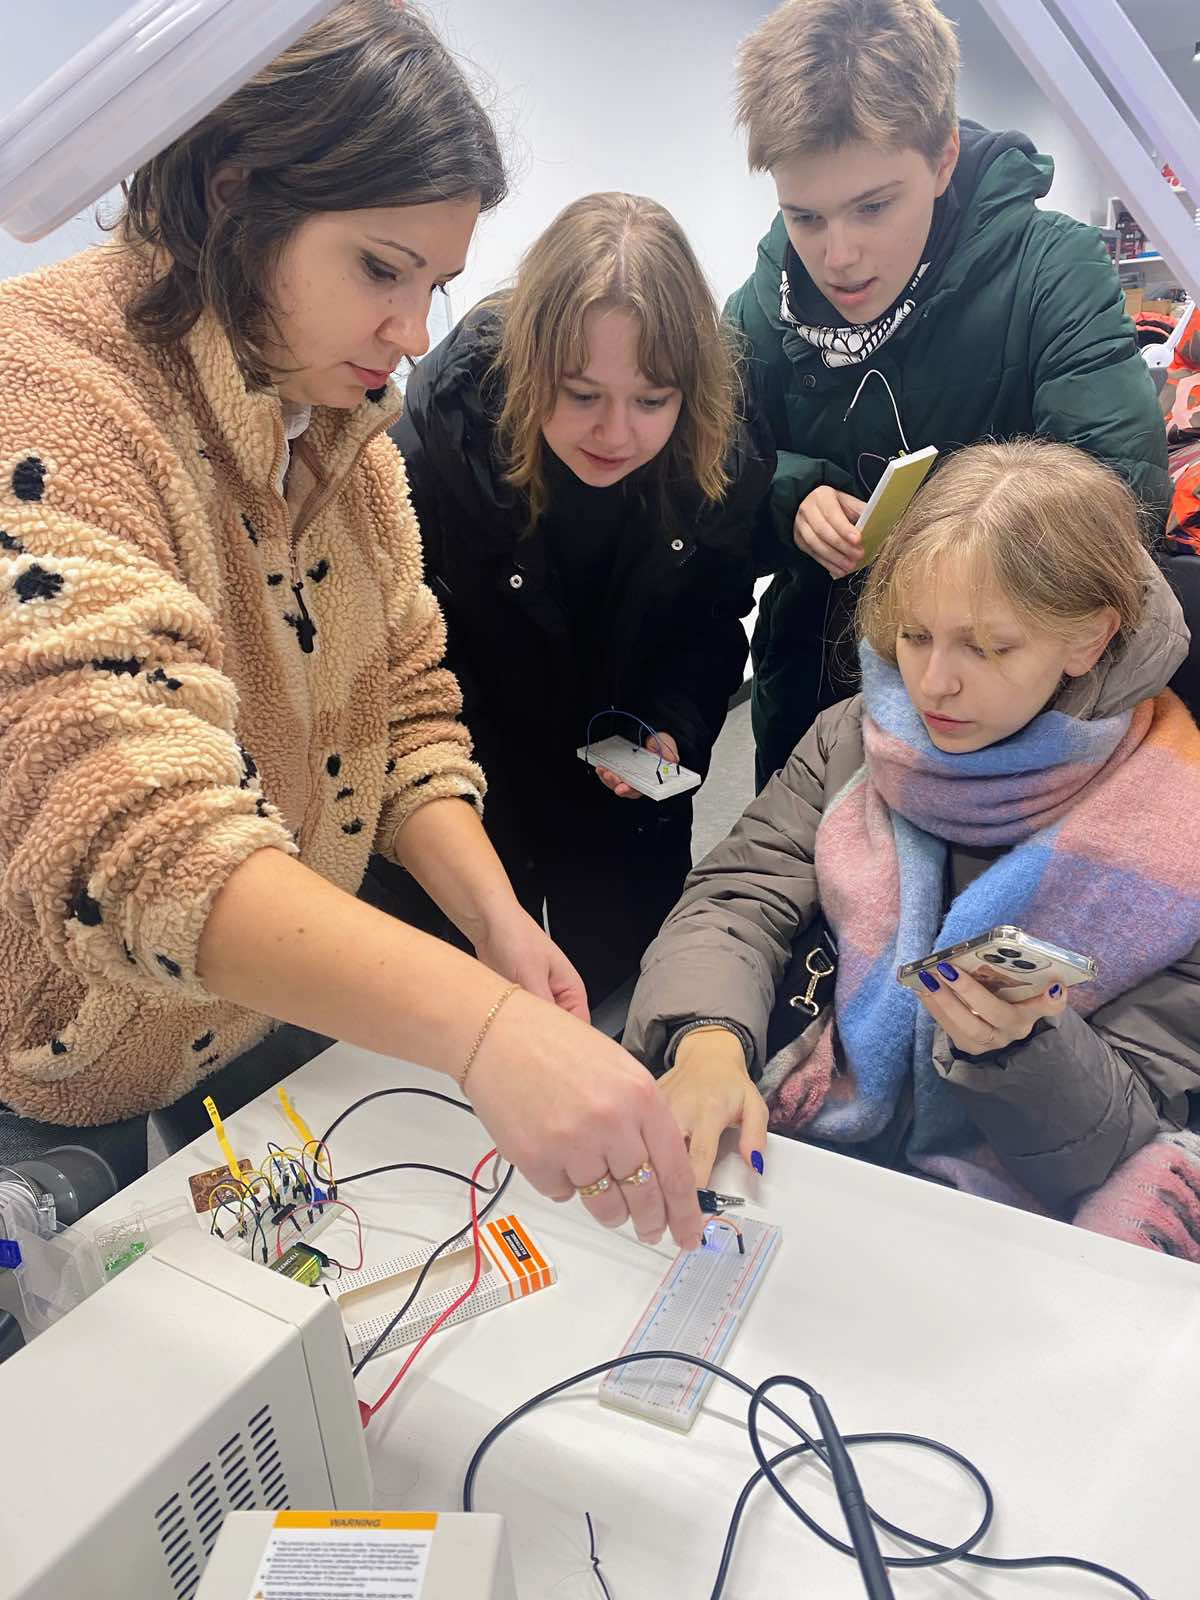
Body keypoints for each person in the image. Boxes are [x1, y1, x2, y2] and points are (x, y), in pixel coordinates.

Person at [0, 2, 703, 1253]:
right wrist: (484, 1029)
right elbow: (130, 823)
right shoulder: (47, 391)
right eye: (381, 269)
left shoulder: (347, 445)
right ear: (237, 197)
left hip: (263, 1028)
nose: (413, 333)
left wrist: (494, 923)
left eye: (434, 285)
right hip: (59, 1074)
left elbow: (407, 713)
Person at [624, 439, 1200, 1260]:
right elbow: (737, 898)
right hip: (800, 1158)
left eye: (988, 647)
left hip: (999, 1236)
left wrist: (1025, 1048)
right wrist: (708, 1037)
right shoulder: (854, 738)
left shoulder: (1178, 833)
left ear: (1089, 639)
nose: (932, 684)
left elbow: (1119, 1140)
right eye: (915, 634)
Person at [726, 0, 1171, 787]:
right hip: (813, 697)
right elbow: (711, 478)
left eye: (873, 206)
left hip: (1009, 709)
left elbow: (1121, 499)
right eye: (805, 216)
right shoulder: (762, 306)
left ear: (942, 158)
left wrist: (954, 542)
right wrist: (790, 497)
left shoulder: (1052, 273)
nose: (838, 255)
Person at [377, 193, 773, 1003]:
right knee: (472, 1014)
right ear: (528, 365)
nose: (616, 433)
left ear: (691, 390)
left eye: (653, 400)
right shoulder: (423, 457)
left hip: (622, 796)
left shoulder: (721, 453)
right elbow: (398, 685)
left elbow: (709, 619)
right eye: (582, 394)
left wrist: (673, 723)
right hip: (464, 792)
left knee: (625, 994)